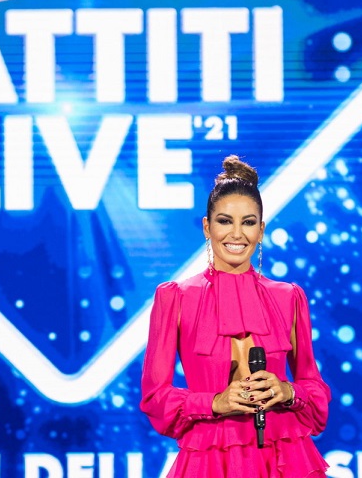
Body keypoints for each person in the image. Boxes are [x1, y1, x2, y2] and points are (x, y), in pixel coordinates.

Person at [140, 155, 330, 477]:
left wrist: (287, 392)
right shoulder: (176, 298)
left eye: (249, 222)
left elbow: (316, 392)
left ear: (261, 230)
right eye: (225, 221)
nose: (237, 234)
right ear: (207, 227)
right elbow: (155, 397)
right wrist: (215, 402)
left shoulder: (288, 298)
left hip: (285, 455)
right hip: (211, 456)